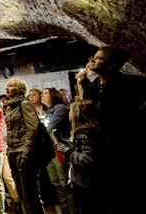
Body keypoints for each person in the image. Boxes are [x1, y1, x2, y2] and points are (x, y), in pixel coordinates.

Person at [78, 46, 145, 212]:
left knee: (128, 197)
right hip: (100, 152)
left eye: (99, 58)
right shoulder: (91, 88)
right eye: (93, 56)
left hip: (126, 150)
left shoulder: (133, 83)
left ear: (112, 65)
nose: (92, 60)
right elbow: (86, 114)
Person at [56, 100, 111, 213]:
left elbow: (87, 159)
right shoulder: (95, 129)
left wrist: (68, 151)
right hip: (94, 181)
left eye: (71, 110)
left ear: (77, 113)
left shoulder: (83, 134)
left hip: (87, 183)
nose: (69, 113)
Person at [4, 78, 45, 214]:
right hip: (13, 151)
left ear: (19, 88)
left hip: (23, 151)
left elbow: (33, 129)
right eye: (7, 86)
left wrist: (26, 153)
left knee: (30, 194)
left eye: (11, 86)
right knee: (22, 194)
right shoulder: (10, 106)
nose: (7, 88)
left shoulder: (24, 103)